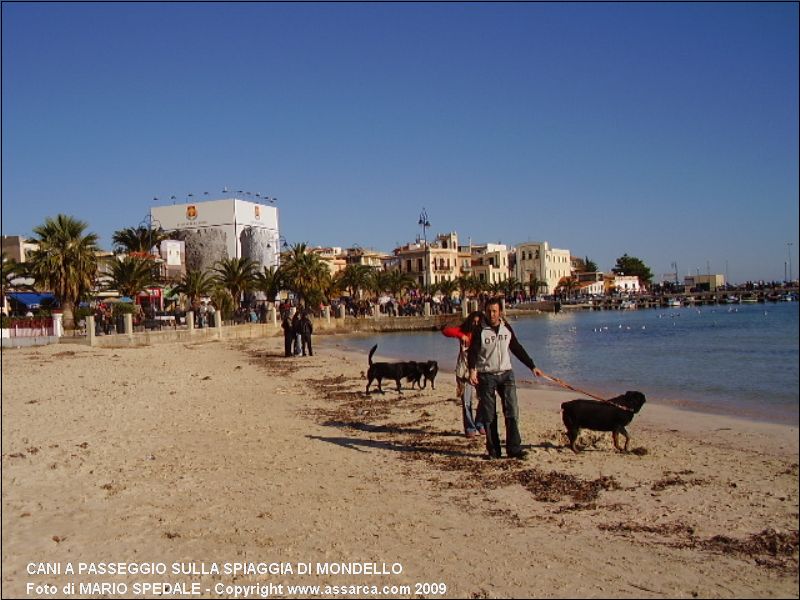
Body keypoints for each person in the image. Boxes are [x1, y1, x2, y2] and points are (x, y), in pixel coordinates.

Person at [468, 297, 543, 460]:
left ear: (500, 312)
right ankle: (494, 451)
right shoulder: (479, 330)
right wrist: (472, 370)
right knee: (490, 415)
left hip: (506, 374)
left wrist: (532, 366)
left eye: (494, 311)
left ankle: (514, 449)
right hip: (487, 375)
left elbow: (516, 347)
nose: (491, 314)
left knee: (512, 411)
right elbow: (473, 352)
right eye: (488, 311)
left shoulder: (505, 328)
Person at [441, 311, 485, 437]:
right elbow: (445, 331)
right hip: (464, 370)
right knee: (466, 402)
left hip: (481, 370)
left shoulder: (484, 334)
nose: (476, 324)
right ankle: (470, 427)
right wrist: (461, 335)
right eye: (474, 322)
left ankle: (480, 423)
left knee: (484, 399)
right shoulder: (464, 331)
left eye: (478, 322)